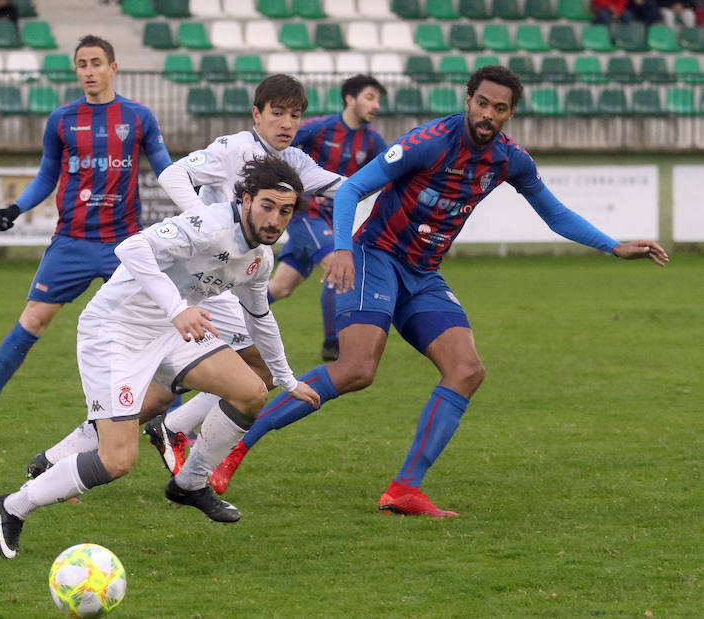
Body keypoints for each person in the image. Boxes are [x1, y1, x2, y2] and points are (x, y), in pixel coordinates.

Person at [207, 65, 670, 516]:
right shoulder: (428, 142)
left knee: (466, 370)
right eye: (482, 103)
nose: (488, 113)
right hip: (375, 256)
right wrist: (344, 250)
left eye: (500, 108)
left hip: (423, 273)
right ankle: (234, 450)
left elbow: (553, 212)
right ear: (468, 101)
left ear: (510, 113)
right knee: (356, 369)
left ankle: (404, 489)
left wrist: (613, 245)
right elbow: (350, 192)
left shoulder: (510, 160)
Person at [0, 156, 320, 558]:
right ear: (245, 199)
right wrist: (178, 308)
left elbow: (260, 317)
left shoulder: (259, 259)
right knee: (117, 459)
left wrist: (287, 379)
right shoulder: (208, 224)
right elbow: (132, 248)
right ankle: (12, 506)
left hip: (172, 330)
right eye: (267, 205)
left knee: (251, 391)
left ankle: (189, 483)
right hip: (115, 331)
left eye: (285, 211)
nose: (275, 219)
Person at [22, 74, 348, 478]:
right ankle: (81, 452)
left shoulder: (294, 163)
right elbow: (174, 174)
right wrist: (204, 218)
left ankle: (163, 429)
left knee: (249, 374)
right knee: (216, 378)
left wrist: (399, 179)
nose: (286, 123)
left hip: (224, 281)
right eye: (277, 113)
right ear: (256, 115)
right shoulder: (232, 148)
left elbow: (348, 189)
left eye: (294, 116)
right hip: (195, 279)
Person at [0, 35, 172, 442]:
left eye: (96, 62)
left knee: (154, 328)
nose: (88, 70)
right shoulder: (62, 120)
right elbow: (45, 176)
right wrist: (15, 208)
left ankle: (167, 422)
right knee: (32, 321)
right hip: (70, 242)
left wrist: (193, 202)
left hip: (124, 245)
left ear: (113, 67)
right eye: (81, 64)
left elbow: (165, 168)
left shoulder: (139, 117)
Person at [272, 74, 388, 361]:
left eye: (378, 100)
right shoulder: (319, 128)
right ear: (350, 98)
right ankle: (332, 343)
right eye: (370, 97)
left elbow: (390, 171)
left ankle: (225, 316)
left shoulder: (372, 139)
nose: (376, 106)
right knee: (338, 264)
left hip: (333, 220)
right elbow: (275, 147)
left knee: (281, 287)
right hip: (306, 216)